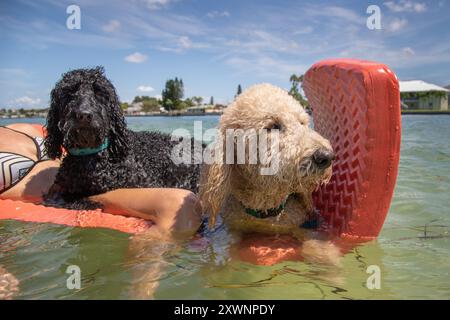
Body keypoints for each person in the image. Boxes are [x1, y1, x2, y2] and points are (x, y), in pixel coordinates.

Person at [0, 123, 202, 239]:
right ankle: (140, 288)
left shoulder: (18, 128)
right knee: (179, 205)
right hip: (65, 192)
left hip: (86, 171)